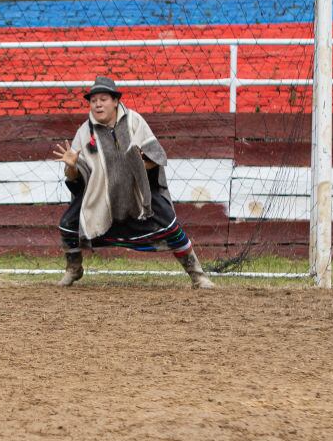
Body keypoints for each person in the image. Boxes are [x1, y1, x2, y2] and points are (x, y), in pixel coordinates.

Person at [52, 76, 215, 290]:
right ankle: (74, 268)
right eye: (93, 100)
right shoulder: (84, 132)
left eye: (103, 99)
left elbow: (155, 158)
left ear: (115, 101)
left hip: (137, 193)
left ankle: (197, 274)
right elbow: (74, 178)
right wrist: (72, 166)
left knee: (170, 226)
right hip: (100, 195)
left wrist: (139, 164)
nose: (98, 104)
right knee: (68, 225)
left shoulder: (134, 121)